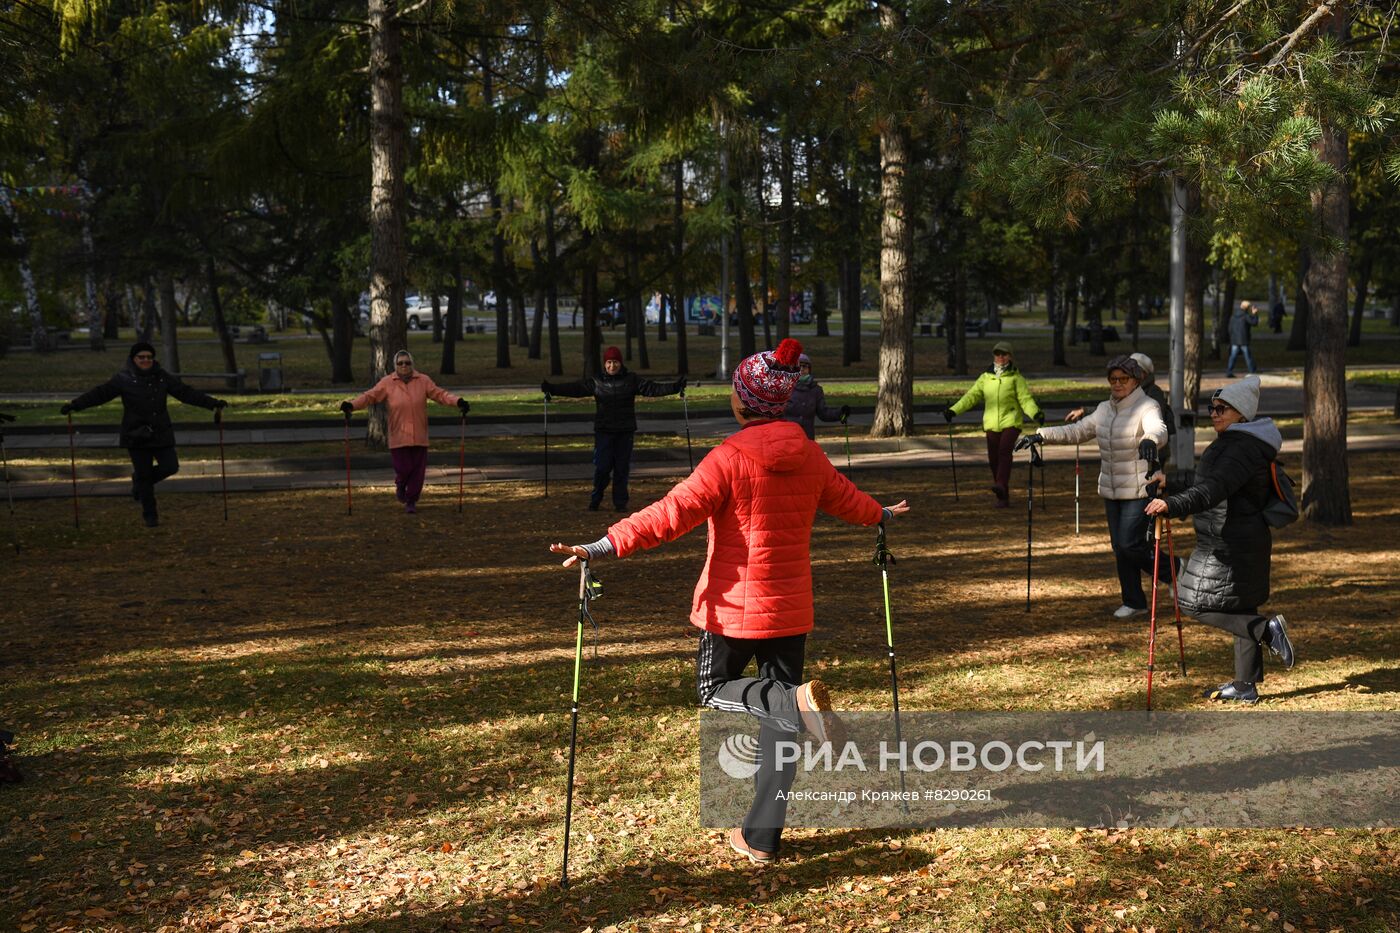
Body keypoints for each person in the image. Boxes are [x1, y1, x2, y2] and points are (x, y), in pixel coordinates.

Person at [548, 338, 909, 864]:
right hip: (789, 611)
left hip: (732, 610)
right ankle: (761, 837)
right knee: (782, 724)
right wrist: (884, 515)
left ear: (743, 403)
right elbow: (848, 500)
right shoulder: (809, 454)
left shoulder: (728, 458)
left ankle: (792, 709)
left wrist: (599, 546)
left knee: (719, 691)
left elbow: (668, 515)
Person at [1145, 376, 1294, 703]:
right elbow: (1211, 480)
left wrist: (1172, 504)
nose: (1213, 413)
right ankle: (1245, 686)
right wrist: (1171, 481)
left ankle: (1265, 630)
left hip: (1230, 542)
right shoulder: (1241, 442)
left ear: (1241, 413)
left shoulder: (1238, 448)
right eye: (1211, 408)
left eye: (1222, 408)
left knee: (1193, 601)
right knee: (1241, 605)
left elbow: (1213, 490)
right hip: (1241, 537)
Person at [1021, 354, 1171, 618]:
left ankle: (1174, 570)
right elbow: (1076, 431)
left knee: (1129, 545)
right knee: (1120, 548)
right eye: (1113, 379)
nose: (1117, 384)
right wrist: (1041, 435)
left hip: (1139, 487)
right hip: (1111, 488)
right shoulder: (1104, 409)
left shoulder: (1147, 406)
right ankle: (1134, 602)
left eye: (1123, 379)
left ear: (1135, 380)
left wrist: (1150, 439)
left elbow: (1158, 429)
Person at [62, 342, 227, 527]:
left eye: (149, 357)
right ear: (134, 359)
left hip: (161, 432)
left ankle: (139, 481)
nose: (146, 360)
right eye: (141, 357)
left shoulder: (162, 377)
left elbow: (185, 393)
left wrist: (212, 403)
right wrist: (75, 405)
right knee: (145, 476)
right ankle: (150, 515)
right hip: (136, 434)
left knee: (170, 467)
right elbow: (100, 394)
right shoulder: (123, 378)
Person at [542, 346, 685, 512]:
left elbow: (652, 389)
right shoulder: (597, 381)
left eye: (615, 362)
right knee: (602, 467)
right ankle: (596, 498)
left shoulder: (631, 380)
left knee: (621, 468)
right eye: (609, 362)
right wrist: (553, 388)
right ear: (605, 364)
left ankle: (620, 503)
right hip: (604, 431)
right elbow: (576, 389)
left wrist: (675, 387)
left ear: (620, 363)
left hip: (625, 431)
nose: (612, 366)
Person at [341, 350, 468, 514]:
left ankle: (411, 501)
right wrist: (351, 405)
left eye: (407, 363)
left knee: (417, 472)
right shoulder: (387, 382)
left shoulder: (423, 380)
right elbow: (370, 396)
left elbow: (440, 395)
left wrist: (458, 402)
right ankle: (400, 484)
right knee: (404, 469)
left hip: (420, 435)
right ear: (395, 365)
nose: (404, 366)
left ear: (412, 364)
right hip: (398, 434)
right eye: (400, 363)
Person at [944, 341, 1043, 507]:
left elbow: (1025, 400)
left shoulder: (1016, 378)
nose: (1000, 357)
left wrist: (1036, 414)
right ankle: (1002, 495)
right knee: (993, 459)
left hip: (1011, 421)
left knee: (1005, 450)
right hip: (991, 423)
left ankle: (1000, 485)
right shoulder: (985, 378)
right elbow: (971, 397)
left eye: (1004, 354)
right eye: (998, 354)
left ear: (1010, 356)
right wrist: (953, 410)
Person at [1065, 352, 1176, 463]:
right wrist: (1085, 411)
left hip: (1152, 452)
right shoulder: (1129, 391)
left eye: (1134, 370)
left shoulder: (1153, 393)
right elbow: (1111, 409)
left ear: (1144, 374)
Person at [783, 353, 848, 440]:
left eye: (805, 366)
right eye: (798, 367)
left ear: (809, 369)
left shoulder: (816, 390)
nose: (801, 369)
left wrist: (841, 413)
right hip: (787, 437)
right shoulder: (784, 388)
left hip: (807, 437)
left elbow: (823, 414)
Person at [1227, 300, 1260, 377]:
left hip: (1235, 339)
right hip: (1243, 339)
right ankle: (1252, 371)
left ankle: (1229, 371)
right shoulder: (1245, 316)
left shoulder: (1233, 316)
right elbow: (1254, 322)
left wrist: (1231, 337)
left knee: (1233, 356)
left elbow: (1230, 328)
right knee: (1247, 356)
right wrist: (1255, 314)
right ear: (1247, 308)